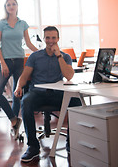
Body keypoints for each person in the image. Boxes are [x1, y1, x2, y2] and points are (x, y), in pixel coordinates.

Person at [14, 26, 81, 162]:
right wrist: (18, 86)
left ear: (58, 39)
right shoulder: (35, 56)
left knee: (76, 102)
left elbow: (69, 76)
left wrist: (58, 55)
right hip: (37, 94)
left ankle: (71, 141)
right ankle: (33, 146)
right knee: (25, 102)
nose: (51, 41)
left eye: (53, 38)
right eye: (48, 38)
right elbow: (24, 75)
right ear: (44, 39)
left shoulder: (65, 57)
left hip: (58, 94)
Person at [0, 0, 38, 139]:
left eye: (13, 4)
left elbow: (28, 43)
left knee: (16, 93)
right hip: (5, 61)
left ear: (17, 6)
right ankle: (13, 119)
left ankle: (14, 127)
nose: (11, 6)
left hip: (19, 61)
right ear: (5, 8)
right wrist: (3, 63)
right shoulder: (1, 24)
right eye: (8, 4)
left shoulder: (22, 24)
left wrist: (41, 53)